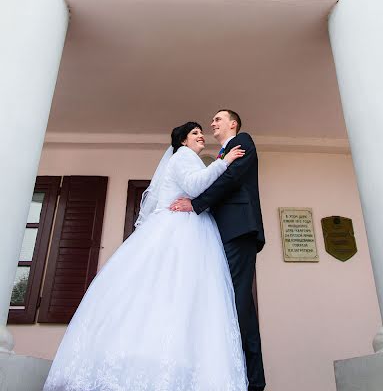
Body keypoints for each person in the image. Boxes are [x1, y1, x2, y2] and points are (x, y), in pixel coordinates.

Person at [43, 121, 249, 391]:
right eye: (195, 133)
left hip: (187, 227)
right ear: (183, 141)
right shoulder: (183, 157)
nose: (201, 137)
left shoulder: (187, 158)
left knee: (177, 295)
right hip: (178, 230)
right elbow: (195, 186)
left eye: (201, 133)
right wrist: (223, 160)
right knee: (176, 291)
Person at [171, 110, 266, 391]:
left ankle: (249, 380)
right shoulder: (219, 156)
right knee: (233, 302)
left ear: (233, 124)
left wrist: (196, 204)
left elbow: (230, 181)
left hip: (238, 229)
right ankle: (240, 375)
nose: (212, 124)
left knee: (235, 302)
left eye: (218, 119)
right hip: (223, 232)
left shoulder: (243, 142)